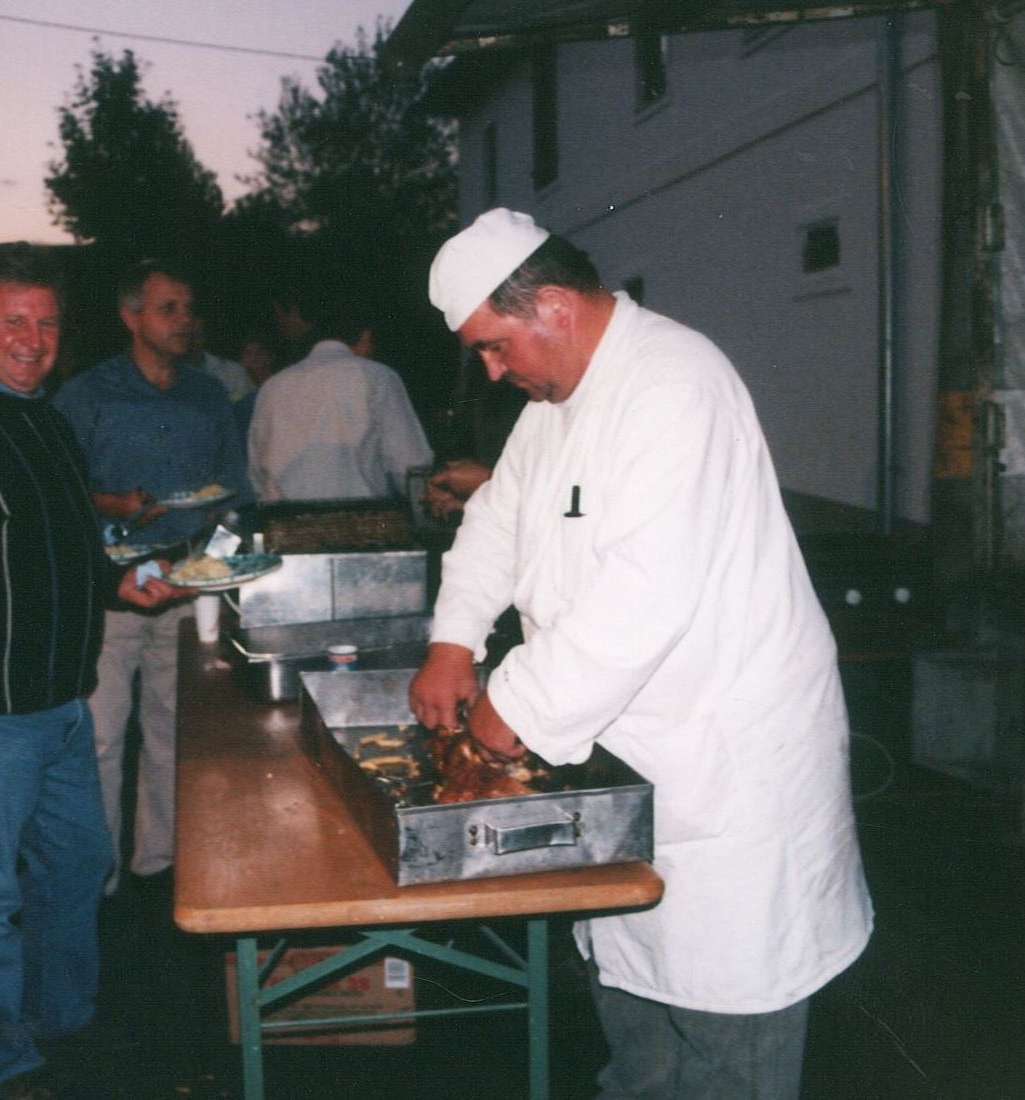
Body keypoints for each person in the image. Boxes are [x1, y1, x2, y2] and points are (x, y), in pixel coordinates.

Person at [408, 209, 872, 1099]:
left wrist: (511, 708)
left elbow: (642, 598)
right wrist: (453, 638)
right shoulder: (555, 405)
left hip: (726, 774)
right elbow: (498, 522)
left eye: (497, 347)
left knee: (727, 1053)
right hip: (630, 770)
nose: (495, 372)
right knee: (641, 1045)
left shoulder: (673, 382)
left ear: (552, 306)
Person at [0, 243, 188, 1100]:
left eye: (47, 322)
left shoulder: (46, 422)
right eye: (14, 321)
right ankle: (0, 1062)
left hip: (60, 708)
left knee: (79, 869)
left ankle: (64, 1023)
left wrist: (116, 582)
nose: (34, 339)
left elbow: (61, 548)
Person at [53, 259, 253, 896]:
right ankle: (98, 877)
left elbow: (235, 496)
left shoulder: (209, 395)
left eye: (189, 309)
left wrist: (207, 560)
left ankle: (162, 865)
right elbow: (53, 493)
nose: (184, 321)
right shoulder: (87, 396)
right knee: (102, 739)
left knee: (175, 736)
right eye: (168, 308)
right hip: (109, 590)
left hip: (185, 585)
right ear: (130, 315)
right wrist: (111, 504)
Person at [246, 292, 433, 502]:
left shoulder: (273, 386)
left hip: (283, 522)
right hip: (357, 520)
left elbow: (257, 473)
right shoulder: (376, 376)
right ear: (365, 337)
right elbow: (409, 464)